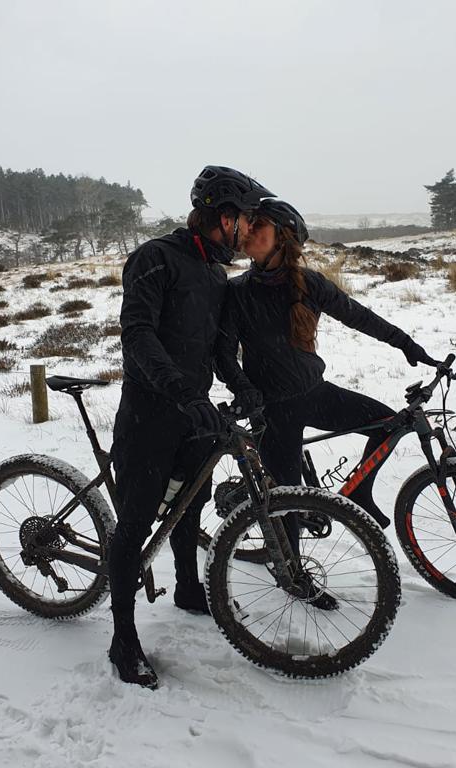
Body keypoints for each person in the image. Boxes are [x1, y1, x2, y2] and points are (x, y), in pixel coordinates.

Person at [108, 166, 272, 688]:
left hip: (194, 411)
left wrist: (242, 384)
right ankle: (122, 637)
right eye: (243, 220)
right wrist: (180, 390)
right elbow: (137, 334)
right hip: (150, 412)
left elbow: (218, 349)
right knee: (134, 525)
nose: (247, 230)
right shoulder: (155, 258)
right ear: (222, 217)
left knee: (191, 503)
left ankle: (185, 587)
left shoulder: (214, 274)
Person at [215, 198, 438, 555]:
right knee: (286, 507)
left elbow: (359, 316)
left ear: (282, 238)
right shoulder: (238, 292)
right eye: (249, 224)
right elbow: (223, 355)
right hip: (272, 411)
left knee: (388, 425)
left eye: (259, 225)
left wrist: (405, 344)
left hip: (315, 394)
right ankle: (291, 574)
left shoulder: (309, 284)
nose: (249, 231)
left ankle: (359, 493)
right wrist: (243, 389)